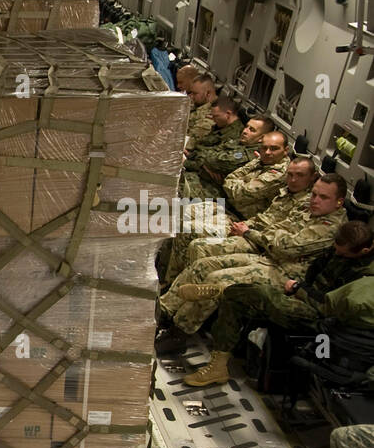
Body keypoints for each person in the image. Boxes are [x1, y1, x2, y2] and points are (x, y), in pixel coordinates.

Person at [156, 173, 349, 351]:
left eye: (323, 197)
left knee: (216, 278)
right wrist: (277, 238)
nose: (315, 200)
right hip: (268, 257)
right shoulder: (310, 211)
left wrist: (274, 238)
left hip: (284, 275)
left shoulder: (331, 228)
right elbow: (277, 229)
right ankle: (164, 312)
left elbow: (287, 246)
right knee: (204, 265)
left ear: (339, 202)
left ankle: (180, 331)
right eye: (314, 194)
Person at [181, 220, 374, 386]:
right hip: (305, 294)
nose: (337, 255)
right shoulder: (340, 248)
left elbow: (329, 306)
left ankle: (222, 290)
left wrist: (300, 290)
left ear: (364, 250)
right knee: (236, 302)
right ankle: (218, 366)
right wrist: (301, 287)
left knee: (262, 293)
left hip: (320, 317)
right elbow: (315, 270)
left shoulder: (364, 278)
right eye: (336, 250)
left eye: (343, 254)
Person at [164, 154, 318, 285]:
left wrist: (247, 231)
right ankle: (172, 280)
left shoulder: (307, 203)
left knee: (198, 244)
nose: (293, 180)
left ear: (313, 177)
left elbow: (242, 194)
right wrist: (245, 226)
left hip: (257, 240)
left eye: (300, 175)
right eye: (290, 175)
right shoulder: (286, 192)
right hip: (247, 225)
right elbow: (230, 182)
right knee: (183, 223)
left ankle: (184, 288)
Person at [180, 114, 272, 201]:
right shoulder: (240, 142)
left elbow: (213, 161)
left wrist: (205, 161)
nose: (245, 131)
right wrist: (205, 163)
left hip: (213, 190)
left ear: (261, 138)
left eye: (252, 130)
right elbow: (208, 152)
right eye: (246, 127)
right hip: (201, 176)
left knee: (175, 187)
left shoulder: (251, 154)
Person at [178, 95, 243, 197]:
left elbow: (212, 162)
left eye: (215, 116)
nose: (212, 119)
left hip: (208, 182)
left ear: (228, 114)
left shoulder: (234, 135)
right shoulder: (220, 127)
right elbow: (204, 152)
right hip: (197, 166)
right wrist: (191, 156)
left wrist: (186, 162)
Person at [184, 74, 217, 149]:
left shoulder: (212, 114)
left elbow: (189, 143)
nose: (191, 96)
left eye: (195, 93)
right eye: (190, 93)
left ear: (207, 94)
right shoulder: (198, 104)